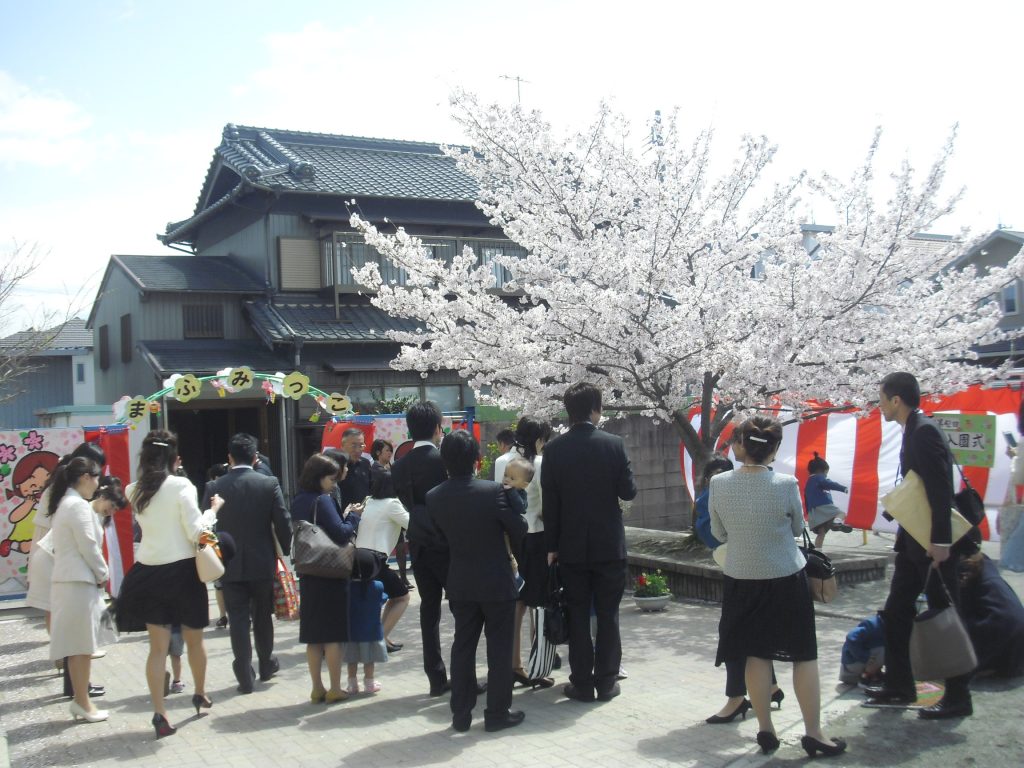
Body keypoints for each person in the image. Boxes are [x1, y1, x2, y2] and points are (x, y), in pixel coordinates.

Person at [710, 416, 846, 758]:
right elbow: (799, 526)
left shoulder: (719, 483)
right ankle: (814, 733)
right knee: (804, 655)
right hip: (785, 577)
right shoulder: (786, 484)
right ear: (774, 449)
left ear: (742, 445)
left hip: (741, 578)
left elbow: (718, 533)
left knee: (756, 654)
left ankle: (765, 730)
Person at [867, 372, 973, 719]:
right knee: (897, 611)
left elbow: (940, 488)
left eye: (881, 398)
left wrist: (941, 541)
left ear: (896, 400)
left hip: (931, 544)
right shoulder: (913, 428)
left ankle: (958, 696)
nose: (878, 405)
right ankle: (899, 686)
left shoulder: (924, 431)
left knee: (946, 615)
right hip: (912, 542)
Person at [542, 382, 637, 703]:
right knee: (609, 615)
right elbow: (628, 492)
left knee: (578, 613)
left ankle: (581, 683)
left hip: (569, 547)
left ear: (568, 412)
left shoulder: (554, 450)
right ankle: (607, 682)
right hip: (608, 545)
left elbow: (550, 505)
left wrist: (552, 547)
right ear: (596, 409)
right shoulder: (614, 445)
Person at [429, 430, 528, 732]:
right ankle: (497, 714)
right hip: (497, 581)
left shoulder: (434, 497)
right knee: (498, 649)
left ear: (444, 461)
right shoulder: (492, 491)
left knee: (463, 647)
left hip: (460, 581)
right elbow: (519, 528)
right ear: (476, 459)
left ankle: (461, 713)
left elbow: (440, 539)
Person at [116, 430, 214, 738]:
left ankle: (159, 713)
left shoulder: (133, 489)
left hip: (148, 571)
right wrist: (213, 514)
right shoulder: (181, 485)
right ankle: (199, 692)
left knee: (156, 650)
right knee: (195, 640)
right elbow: (196, 529)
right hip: (184, 571)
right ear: (174, 457)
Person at [696, 451, 786, 724]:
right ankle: (770, 687)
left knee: (734, 633)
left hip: (742, 572)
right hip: (769, 570)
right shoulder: (770, 486)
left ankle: (737, 698)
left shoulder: (712, 498)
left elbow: (713, 536)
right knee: (755, 631)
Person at [202, 432, 291, 694]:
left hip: (226, 562)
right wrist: (285, 551)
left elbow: (204, 525)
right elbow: (283, 520)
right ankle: (266, 664)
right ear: (255, 458)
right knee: (263, 616)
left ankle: (243, 672)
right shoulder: (268, 483)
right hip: (262, 560)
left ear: (229, 458)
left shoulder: (213, 487)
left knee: (238, 618)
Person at [391, 401, 451, 695]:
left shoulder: (399, 465)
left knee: (429, 611)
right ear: (438, 427)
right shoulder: (444, 460)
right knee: (463, 608)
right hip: (449, 543)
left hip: (418, 541)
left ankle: (436, 677)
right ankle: (463, 673)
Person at [291, 453, 360, 704]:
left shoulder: (299, 499)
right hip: (330, 573)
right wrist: (353, 516)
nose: (334, 483)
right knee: (333, 634)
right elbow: (341, 534)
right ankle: (334, 687)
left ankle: (316, 687)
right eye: (331, 478)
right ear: (320, 478)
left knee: (313, 635)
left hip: (308, 571)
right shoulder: (323, 500)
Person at [47, 456, 107, 724]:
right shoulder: (78, 506)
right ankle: (82, 702)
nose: (97, 485)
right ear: (85, 477)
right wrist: (103, 574)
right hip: (78, 583)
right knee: (82, 647)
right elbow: (89, 547)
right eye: (96, 478)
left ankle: (81, 700)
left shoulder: (65, 503)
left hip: (68, 581)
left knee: (77, 647)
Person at [510, 417, 553, 686]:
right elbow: (547, 507)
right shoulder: (539, 463)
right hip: (537, 537)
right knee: (539, 602)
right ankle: (538, 663)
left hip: (514, 537)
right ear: (539, 439)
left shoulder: (506, 461)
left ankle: (514, 663)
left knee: (517, 602)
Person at [354, 468, 411, 654]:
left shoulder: (369, 501)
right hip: (375, 559)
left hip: (360, 556)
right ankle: (377, 640)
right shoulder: (392, 504)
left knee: (393, 596)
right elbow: (411, 524)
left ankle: (382, 637)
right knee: (403, 597)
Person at [958, 550, 1024, 679]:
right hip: (1017, 629)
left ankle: (987, 665)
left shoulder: (963, 569)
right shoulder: (984, 563)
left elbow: (960, 611)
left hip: (999, 627)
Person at [804, 452, 851, 549]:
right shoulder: (819, 478)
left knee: (821, 533)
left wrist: (808, 513)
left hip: (813, 512)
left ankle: (818, 551)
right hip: (823, 506)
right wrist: (843, 488)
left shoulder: (809, 482)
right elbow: (829, 483)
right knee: (842, 514)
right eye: (826, 473)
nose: (826, 476)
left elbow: (806, 498)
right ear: (821, 471)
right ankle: (837, 523)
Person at [205, 462, 231, 629]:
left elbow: (203, 514)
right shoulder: (233, 484)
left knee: (219, 583)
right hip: (232, 540)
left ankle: (223, 616)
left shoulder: (211, 487)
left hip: (216, 540)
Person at [839, 614, 885, 687]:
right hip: (852, 664)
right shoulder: (873, 624)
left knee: (883, 648)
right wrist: (865, 657)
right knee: (884, 650)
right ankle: (864, 678)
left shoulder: (882, 624)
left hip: (857, 664)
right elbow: (851, 637)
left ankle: (875, 674)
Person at [338, 428, 373, 509]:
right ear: (342, 446)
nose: (357, 450)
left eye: (361, 445)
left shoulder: (365, 463)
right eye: (353, 446)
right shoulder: (336, 466)